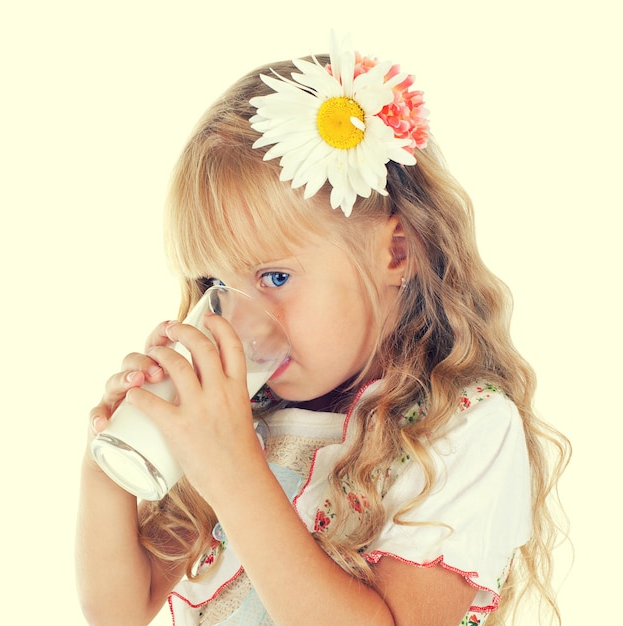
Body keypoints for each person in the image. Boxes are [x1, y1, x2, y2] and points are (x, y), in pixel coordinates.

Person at [76, 34, 570, 626]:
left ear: (397, 251)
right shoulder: (242, 416)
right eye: (217, 283)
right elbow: (117, 612)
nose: (239, 318)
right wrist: (109, 464)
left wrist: (233, 472)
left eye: (276, 276)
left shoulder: (462, 427)